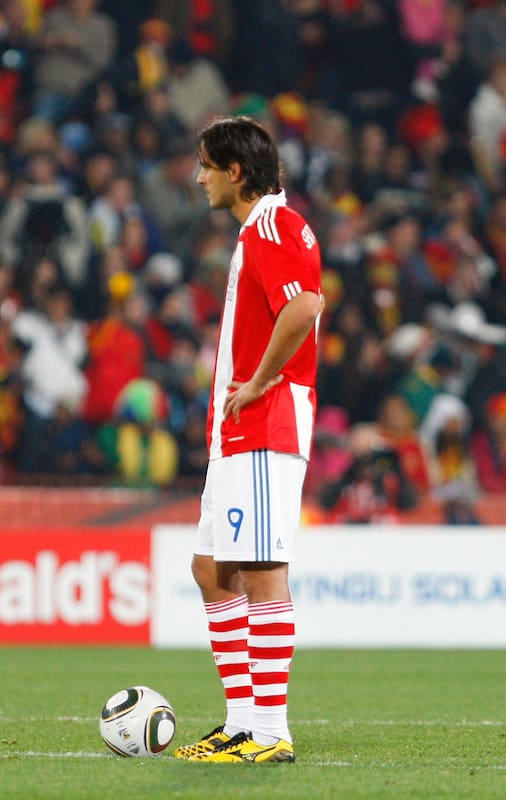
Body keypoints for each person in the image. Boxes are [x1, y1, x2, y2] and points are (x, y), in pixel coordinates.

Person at [173, 116, 323, 764]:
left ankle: (270, 731)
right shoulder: (255, 232)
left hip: (265, 425)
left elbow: (305, 307)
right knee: (212, 570)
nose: (199, 176)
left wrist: (260, 382)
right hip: (235, 432)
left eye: (206, 165)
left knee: (262, 573)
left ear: (236, 172)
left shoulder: (272, 226)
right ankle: (240, 723)